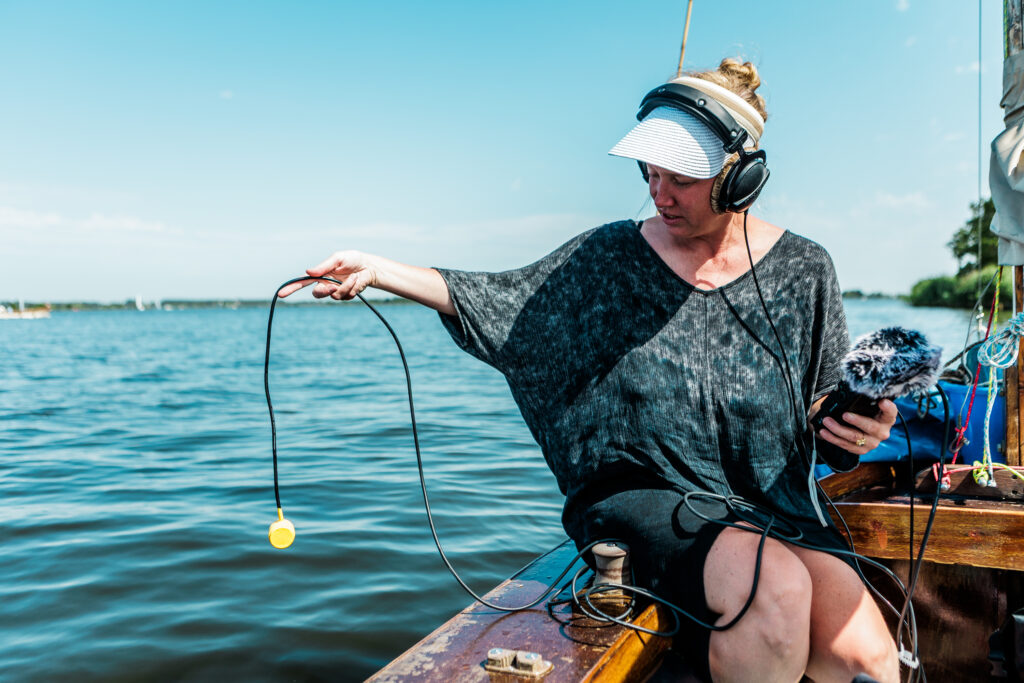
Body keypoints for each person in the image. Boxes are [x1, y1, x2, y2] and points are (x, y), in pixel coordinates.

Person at [280, 58, 900, 683]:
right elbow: (503, 301)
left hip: (773, 502)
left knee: (870, 661)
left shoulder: (806, 268)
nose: (659, 194)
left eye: (679, 177)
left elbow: (821, 396)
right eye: (649, 174)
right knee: (778, 589)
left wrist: (854, 427)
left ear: (741, 176)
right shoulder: (609, 254)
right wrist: (379, 270)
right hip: (648, 494)